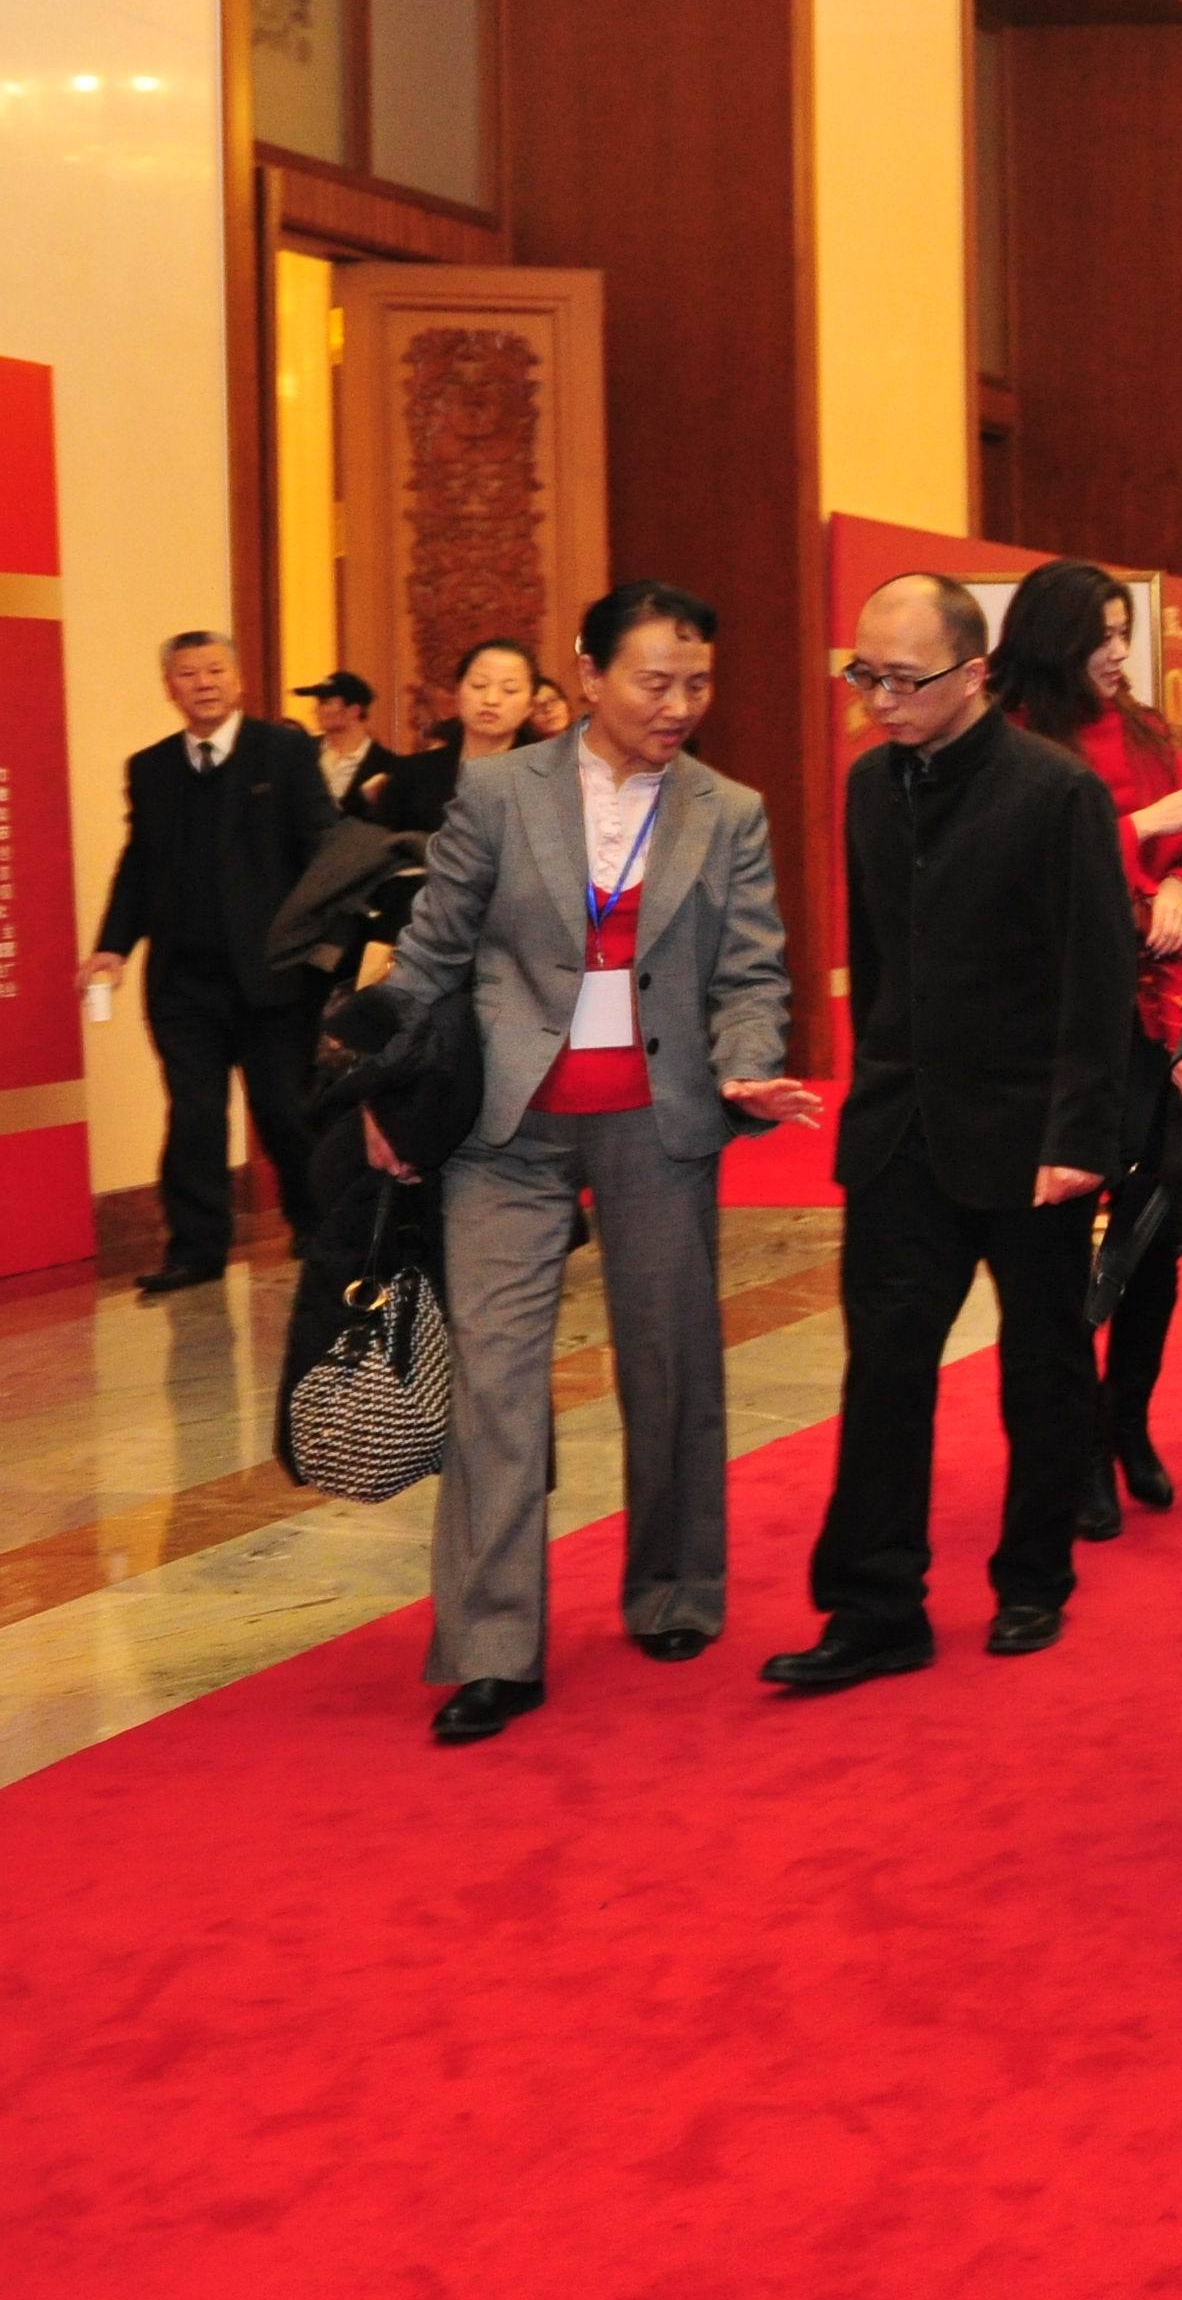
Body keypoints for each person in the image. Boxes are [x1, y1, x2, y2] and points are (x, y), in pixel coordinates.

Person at [367, 582, 814, 1743]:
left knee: (670, 1363)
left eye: (697, 684)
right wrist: (383, 1090)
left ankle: (673, 1586)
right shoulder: (500, 792)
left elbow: (751, 972)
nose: (678, 705)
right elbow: (431, 952)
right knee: (496, 1379)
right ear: (591, 674)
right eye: (655, 682)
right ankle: (493, 1646)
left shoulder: (730, 810)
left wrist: (745, 1066)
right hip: (506, 1128)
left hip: (658, 1123)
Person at [764, 575, 1137, 1690]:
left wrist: (1081, 1135)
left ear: (974, 675)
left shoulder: (1055, 791)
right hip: (901, 1131)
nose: (879, 701)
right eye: (863, 676)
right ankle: (874, 1607)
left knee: (1042, 1363)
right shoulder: (868, 786)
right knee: (884, 1371)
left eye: (902, 680)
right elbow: (879, 961)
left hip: (1029, 1134)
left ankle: (1033, 1578)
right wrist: (874, 1083)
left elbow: (1096, 977)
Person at [988, 561, 1182, 1535]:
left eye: (1121, 634)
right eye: (1099, 637)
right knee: (1055, 1255)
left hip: (1153, 1018)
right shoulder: (1008, 737)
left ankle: (1126, 1420)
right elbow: (1017, 867)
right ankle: (1074, 1447)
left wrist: (1179, 883)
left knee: (1150, 1236)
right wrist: (1138, 830)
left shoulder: (1141, 727)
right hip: (1056, 1031)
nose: (1116, 654)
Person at [85, 632, 337, 1296]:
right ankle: (195, 1251)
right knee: (194, 1115)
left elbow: (323, 849)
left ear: (239, 679)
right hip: (183, 981)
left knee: (284, 1109)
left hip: (274, 975)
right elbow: (139, 864)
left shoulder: (282, 753)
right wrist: (112, 945)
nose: (203, 683)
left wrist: (324, 948)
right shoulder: (151, 767)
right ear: (170, 687)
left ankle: (318, 1225)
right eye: (188, 674)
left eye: (215, 670)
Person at [361, 640, 543, 836]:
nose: (491, 699)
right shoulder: (412, 774)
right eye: (479, 685)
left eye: (509, 690)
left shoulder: (548, 780)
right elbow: (382, 846)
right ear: (457, 693)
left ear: (530, 706)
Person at [299, 670, 403, 815]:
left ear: (353, 711)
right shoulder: (303, 752)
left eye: (325, 703)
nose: (316, 710)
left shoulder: (386, 765)